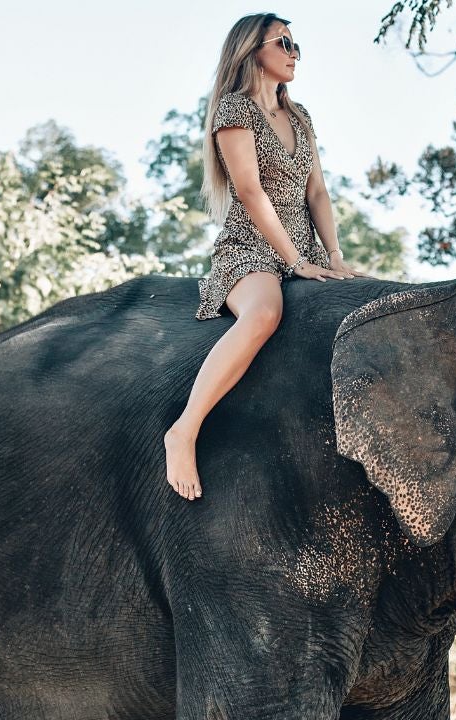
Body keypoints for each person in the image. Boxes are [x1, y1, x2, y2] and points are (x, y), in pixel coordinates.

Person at [164, 12, 368, 501]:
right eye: (284, 42)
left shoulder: (301, 117)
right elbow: (252, 194)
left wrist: (334, 255)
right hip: (251, 247)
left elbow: (317, 192)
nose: (295, 53)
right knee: (264, 314)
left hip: (306, 248)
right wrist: (294, 260)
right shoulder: (234, 111)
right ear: (253, 50)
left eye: (298, 45)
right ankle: (184, 430)